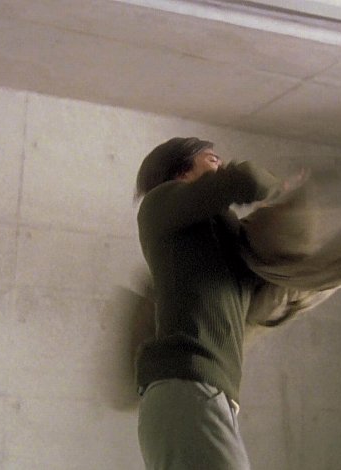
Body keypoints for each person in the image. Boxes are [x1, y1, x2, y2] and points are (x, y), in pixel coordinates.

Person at [134, 137, 280, 469]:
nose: (221, 164)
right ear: (180, 170)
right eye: (212, 159)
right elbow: (248, 180)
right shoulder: (158, 205)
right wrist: (279, 186)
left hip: (203, 396)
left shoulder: (217, 236)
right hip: (188, 390)